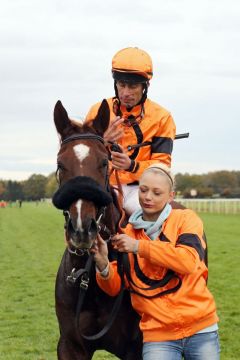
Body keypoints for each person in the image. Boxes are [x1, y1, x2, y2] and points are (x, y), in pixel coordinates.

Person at [92, 164, 220, 360]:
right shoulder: (127, 234)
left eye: (156, 192)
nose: (148, 197)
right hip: (158, 337)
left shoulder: (187, 219)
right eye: (143, 190)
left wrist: (138, 247)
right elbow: (116, 286)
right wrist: (102, 265)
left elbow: (187, 261)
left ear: (170, 196)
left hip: (201, 329)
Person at [85, 47, 176, 214]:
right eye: (122, 84)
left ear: (145, 86)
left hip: (140, 189)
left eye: (133, 86)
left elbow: (162, 166)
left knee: (153, 218)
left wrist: (132, 165)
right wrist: (101, 141)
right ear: (115, 83)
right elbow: (81, 156)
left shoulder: (162, 117)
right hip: (101, 185)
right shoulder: (97, 111)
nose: (126, 92)